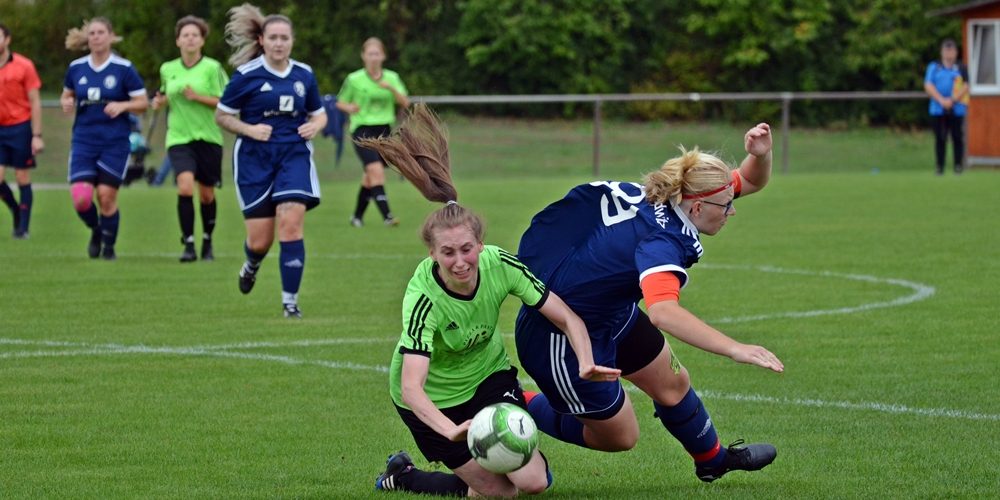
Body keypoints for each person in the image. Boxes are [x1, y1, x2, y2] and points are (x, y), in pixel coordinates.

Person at [362, 104, 620, 497]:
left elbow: (566, 317)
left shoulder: (500, 264)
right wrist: (450, 429)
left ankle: (506, 464)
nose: (460, 261)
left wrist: (585, 360)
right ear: (432, 254)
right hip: (434, 401)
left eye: (467, 249)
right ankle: (406, 476)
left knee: (533, 483)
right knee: (500, 493)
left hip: (488, 380)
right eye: (448, 253)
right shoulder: (423, 299)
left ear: (480, 245)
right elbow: (412, 387)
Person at [514, 123, 784, 483]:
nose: (732, 211)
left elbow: (748, 181)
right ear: (699, 206)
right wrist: (735, 348)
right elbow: (663, 312)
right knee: (621, 437)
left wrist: (759, 155)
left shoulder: (676, 192)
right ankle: (514, 400)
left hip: (609, 310)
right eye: (727, 206)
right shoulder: (662, 241)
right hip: (559, 334)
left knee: (673, 383)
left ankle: (713, 461)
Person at [215, 4, 327, 318]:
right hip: (254, 160)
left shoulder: (304, 74)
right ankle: (251, 265)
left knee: (290, 225)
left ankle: (290, 302)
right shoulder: (245, 76)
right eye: (273, 37)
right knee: (260, 240)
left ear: (292, 41)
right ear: (262, 40)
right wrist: (248, 129)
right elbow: (222, 116)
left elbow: (319, 114)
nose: (279, 43)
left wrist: (315, 126)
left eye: (285, 38)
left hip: (293, 155)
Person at [61, 17, 148, 260]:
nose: (96, 37)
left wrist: (122, 106)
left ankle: (109, 248)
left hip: (114, 142)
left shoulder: (124, 69)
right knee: (81, 199)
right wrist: (66, 102)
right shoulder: (76, 67)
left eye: (101, 32)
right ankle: (96, 230)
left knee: (106, 197)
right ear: (87, 39)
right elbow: (67, 93)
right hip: (83, 141)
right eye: (92, 33)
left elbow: (142, 103)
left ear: (111, 36)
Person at [153, 15, 229, 262]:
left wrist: (197, 97)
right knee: (185, 187)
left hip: (208, 137)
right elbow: (164, 96)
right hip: (179, 137)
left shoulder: (213, 68)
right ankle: (188, 243)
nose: (190, 39)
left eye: (195, 35)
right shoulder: (168, 69)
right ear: (177, 41)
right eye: (185, 35)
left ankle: (207, 240)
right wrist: (158, 101)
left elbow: (226, 102)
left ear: (202, 40)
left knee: (206, 194)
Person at [336, 37, 409, 228]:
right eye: (370, 53)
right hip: (362, 130)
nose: (374, 57)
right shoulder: (354, 79)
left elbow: (405, 102)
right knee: (375, 171)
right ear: (363, 56)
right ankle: (388, 216)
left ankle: (356, 217)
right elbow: (340, 101)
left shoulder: (391, 77)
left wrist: (391, 88)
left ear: (383, 56)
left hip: (384, 131)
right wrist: (349, 107)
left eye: (377, 53)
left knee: (370, 176)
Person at [0, 23, 43, 239]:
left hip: (20, 127)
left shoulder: (24, 66)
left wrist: (36, 135)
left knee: (21, 176)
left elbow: (35, 101)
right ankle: (16, 211)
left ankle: (23, 227)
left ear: (7, 40)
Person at [924, 38, 968, 175]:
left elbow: (967, 85)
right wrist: (942, 100)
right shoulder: (934, 66)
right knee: (940, 138)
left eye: (951, 51)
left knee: (957, 138)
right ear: (942, 52)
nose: (949, 54)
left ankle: (958, 167)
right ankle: (939, 167)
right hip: (938, 108)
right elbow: (928, 85)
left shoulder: (961, 67)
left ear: (956, 52)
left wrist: (953, 100)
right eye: (946, 51)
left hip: (957, 108)